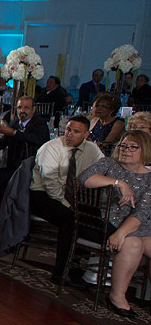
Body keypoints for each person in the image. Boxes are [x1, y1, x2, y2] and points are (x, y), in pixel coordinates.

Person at [79, 131, 151, 318]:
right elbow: (84, 178)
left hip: (138, 223)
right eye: (123, 146)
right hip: (108, 220)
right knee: (133, 243)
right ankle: (117, 296)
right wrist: (118, 182)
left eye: (133, 147)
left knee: (136, 239)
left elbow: (142, 212)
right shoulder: (109, 164)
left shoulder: (150, 177)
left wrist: (121, 233)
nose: (126, 150)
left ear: (144, 150)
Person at [27, 116, 104, 288]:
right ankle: (60, 272)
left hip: (73, 196)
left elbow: (104, 168)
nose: (69, 134)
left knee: (92, 215)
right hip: (43, 195)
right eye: (68, 129)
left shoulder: (91, 149)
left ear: (86, 134)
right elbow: (50, 184)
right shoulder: (51, 148)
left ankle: (80, 269)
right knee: (70, 218)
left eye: (76, 132)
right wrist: (69, 206)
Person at [0, 95, 51, 216]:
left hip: (30, 170)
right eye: (19, 108)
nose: (22, 111)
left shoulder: (39, 124)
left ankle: (1, 214)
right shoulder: (15, 122)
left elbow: (36, 139)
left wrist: (14, 133)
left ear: (33, 109)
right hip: (14, 167)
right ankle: (0, 213)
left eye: (26, 108)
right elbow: (4, 141)